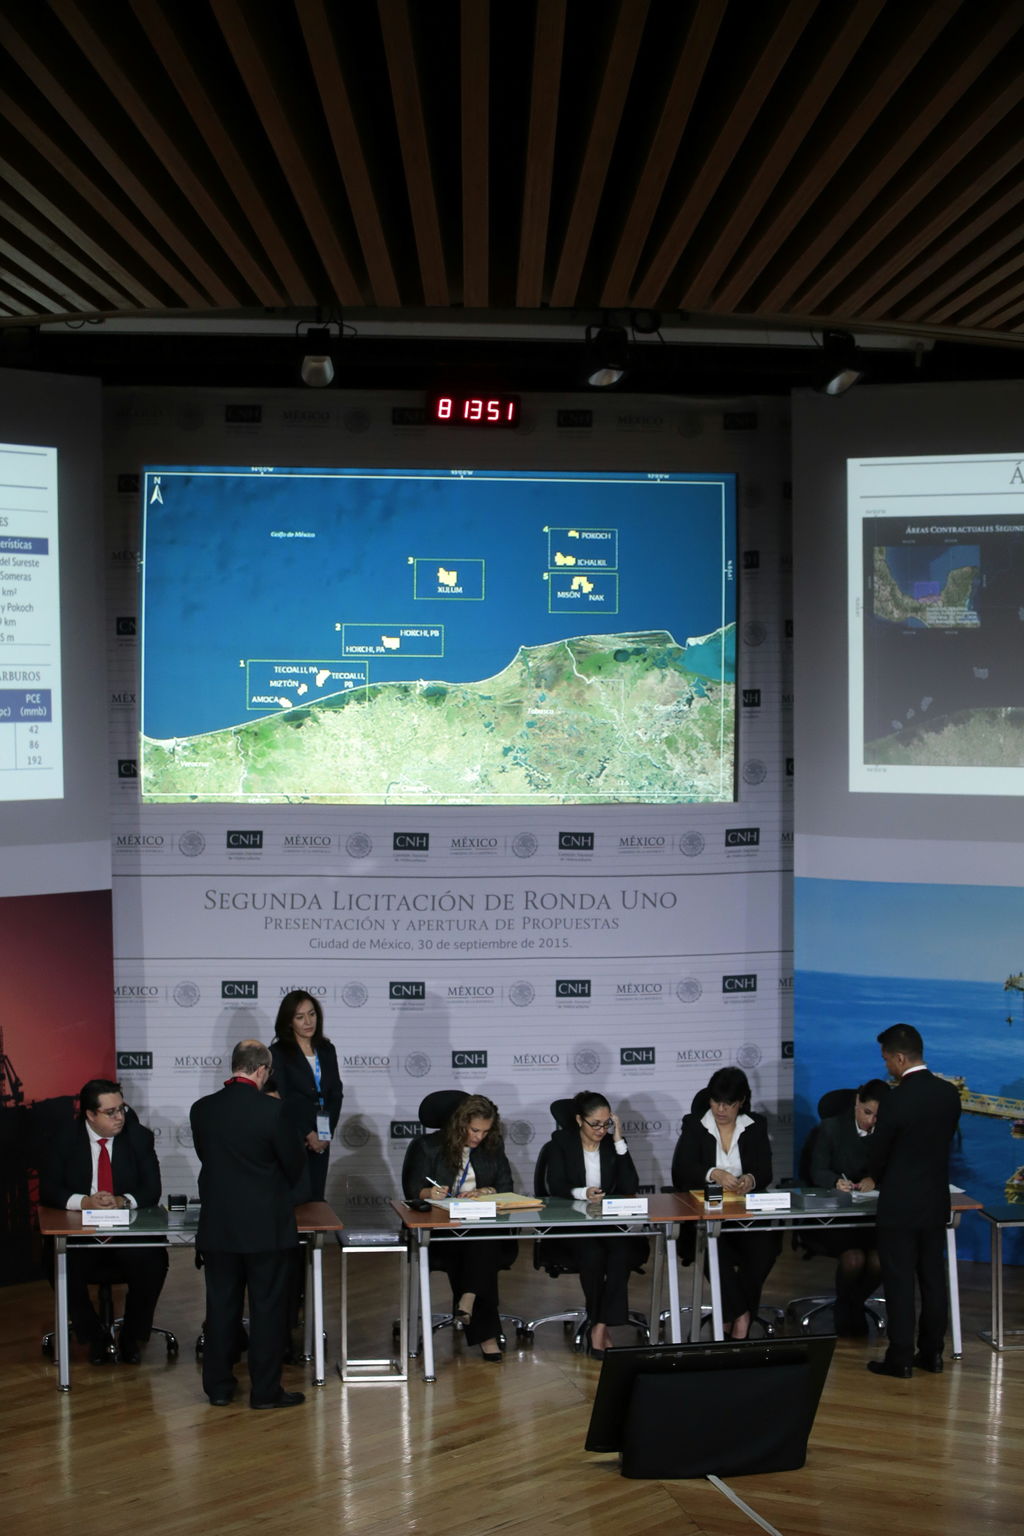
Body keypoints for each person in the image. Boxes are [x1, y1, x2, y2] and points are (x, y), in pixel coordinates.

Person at [190, 1039, 307, 1408]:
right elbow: (294, 1166)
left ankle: (219, 1388)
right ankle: (265, 1392)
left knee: (220, 1308)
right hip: (265, 1228)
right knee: (267, 1310)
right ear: (262, 1070)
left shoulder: (202, 1109)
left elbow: (208, 1157)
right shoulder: (275, 1111)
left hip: (218, 1227)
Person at [40, 1078, 169, 1364]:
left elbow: (152, 1189)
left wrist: (122, 1200)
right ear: (90, 1114)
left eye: (122, 1109)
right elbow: (49, 1190)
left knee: (154, 1260)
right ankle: (93, 1336)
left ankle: (132, 1336)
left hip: (126, 1233)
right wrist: (84, 1202)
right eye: (110, 1112)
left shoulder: (138, 1137)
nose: (119, 1117)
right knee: (57, 1260)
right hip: (81, 1232)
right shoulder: (64, 1138)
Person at [864, 1023, 962, 1378]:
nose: (887, 1066)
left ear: (901, 1058)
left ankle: (901, 1358)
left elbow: (879, 1154)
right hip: (935, 1199)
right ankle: (932, 1354)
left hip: (900, 1203)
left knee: (900, 1280)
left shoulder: (896, 1099)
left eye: (887, 1059)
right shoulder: (949, 1094)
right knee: (933, 1278)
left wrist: (873, 1173)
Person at [402, 1093, 517, 1361]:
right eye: (474, 1130)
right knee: (477, 1248)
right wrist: (430, 1192)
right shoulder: (427, 1146)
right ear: (461, 1123)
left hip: (480, 1225)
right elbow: (412, 1190)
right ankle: (485, 1333)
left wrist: (486, 1191)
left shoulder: (492, 1146)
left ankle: (469, 1298)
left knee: (482, 1241)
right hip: (440, 1230)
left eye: (485, 1132)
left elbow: (506, 1187)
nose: (478, 1137)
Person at [671, 1066, 780, 1339]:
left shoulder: (755, 1125)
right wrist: (713, 1173)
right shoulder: (695, 1125)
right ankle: (741, 1316)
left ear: (741, 1101)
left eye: (728, 1104)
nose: (721, 1109)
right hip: (705, 1219)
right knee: (712, 1247)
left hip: (746, 1216)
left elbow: (765, 1172)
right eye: (716, 1101)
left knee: (765, 1250)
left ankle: (733, 1315)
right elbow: (682, 1171)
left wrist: (750, 1180)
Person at [542, 1091, 649, 1357]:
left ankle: (599, 1324)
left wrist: (619, 1139)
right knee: (593, 1255)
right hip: (574, 1223)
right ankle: (600, 1325)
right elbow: (555, 1185)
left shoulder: (613, 1144)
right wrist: (583, 1193)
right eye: (595, 1124)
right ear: (580, 1120)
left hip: (608, 1222)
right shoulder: (561, 1143)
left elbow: (630, 1186)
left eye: (606, 1124)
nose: (601, 1130)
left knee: (621, 1253)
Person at [809, 1078, 890, 1335]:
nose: (871, 1121)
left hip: (873, 1217)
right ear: (857, 1102)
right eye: (867, 1112)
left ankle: (850, 1304)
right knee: (854, 1258)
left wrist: (875, 1179)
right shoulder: (830, 1128)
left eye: (878, 1116)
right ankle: (847, 1309)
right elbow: (816, 1170)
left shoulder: (888, 1133)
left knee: (880, 1259)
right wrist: (835, 1181)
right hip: (836, 1216)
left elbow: (895, 1169)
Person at [269, 991, 343, 1203]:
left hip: (322, 1136)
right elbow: (281, 1099)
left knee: (316, 1197)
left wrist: (326, 1134)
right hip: (294, 1137)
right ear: (289, 1021)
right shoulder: (278, 1052)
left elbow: (335, 1093)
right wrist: (307, 1133)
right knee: (296, 1199)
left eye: (312, 1014)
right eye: (300, 1017)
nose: (308, 1022)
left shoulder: (327, 1049)